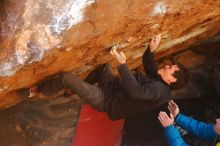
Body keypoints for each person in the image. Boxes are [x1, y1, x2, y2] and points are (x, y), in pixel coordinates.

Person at [19, 35, 189, 120]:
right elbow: (150, 68)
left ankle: (39, 90)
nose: (166, 66)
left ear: (172, 79)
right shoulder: (161, 83)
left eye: (170, 68)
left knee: (66, 77)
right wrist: (151, 50)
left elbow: (137, 92)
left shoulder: (159, 92)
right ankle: (74, 90)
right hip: (114, 89)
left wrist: (122, 64)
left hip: (106, 101)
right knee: (103, 68)